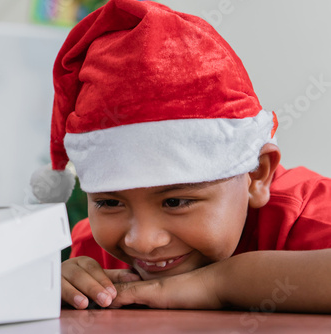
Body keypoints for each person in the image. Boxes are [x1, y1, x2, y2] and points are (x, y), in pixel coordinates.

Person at [30, 0, 331, 312]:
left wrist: (219, 283)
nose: (142, 241)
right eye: (109, 203)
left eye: (175, 202)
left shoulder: (309, 215)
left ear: (256, 175)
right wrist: (61, 286)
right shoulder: (94, 252)